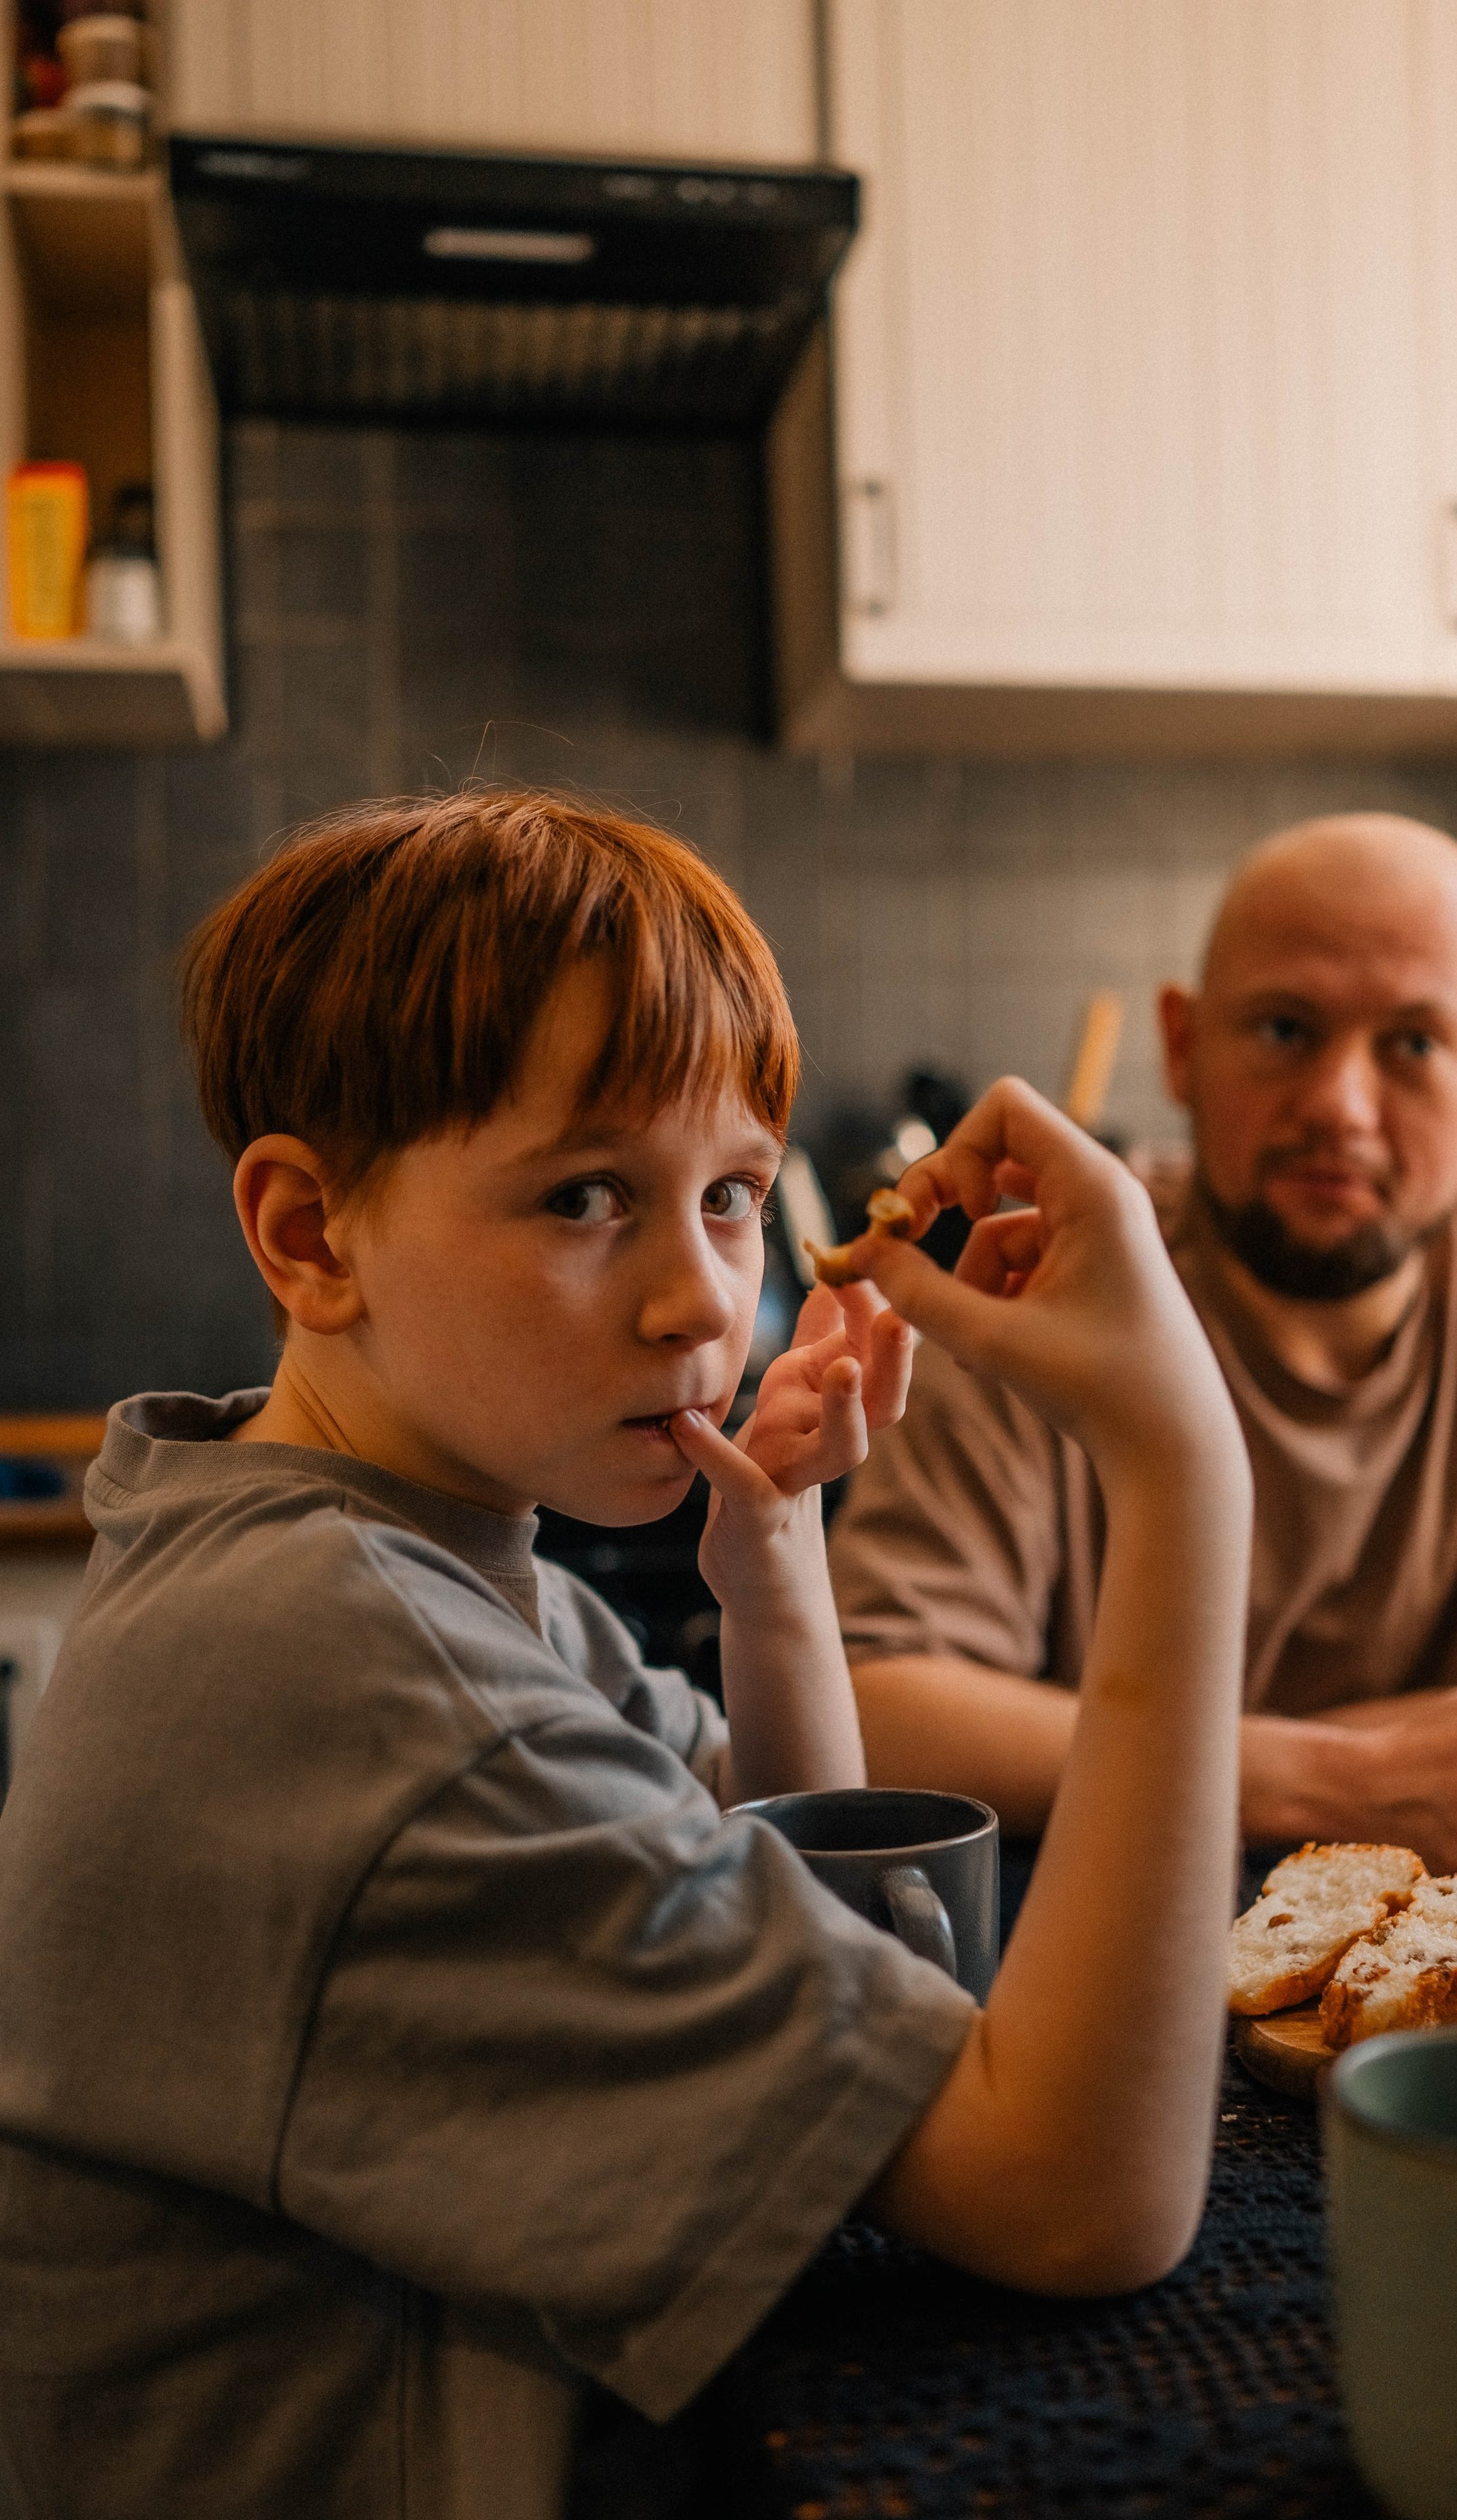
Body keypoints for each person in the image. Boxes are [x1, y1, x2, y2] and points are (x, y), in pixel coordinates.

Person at [0, 790, 1251, 2519]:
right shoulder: (362, 1679)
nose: (704, 1301)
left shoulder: (424, 1563)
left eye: (735, 1193)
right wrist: (1185, 1471)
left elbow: (827, 1960)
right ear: (308, 1235)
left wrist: (777, 1570)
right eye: (589, 1194)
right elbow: (1074, 2197)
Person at [831, 812, 1457, 1880]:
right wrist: (1335, 1776)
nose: (1338, 1105)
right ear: (1184, 1045)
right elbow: (873, 1708)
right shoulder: (1047, 1271)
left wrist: (1444, 1756)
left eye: (1414, 1044)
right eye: (1285, 1030)